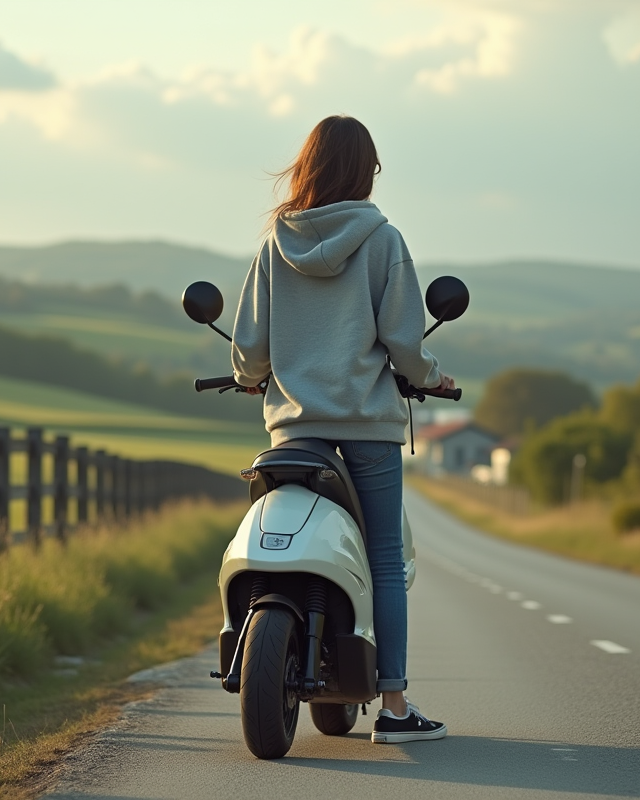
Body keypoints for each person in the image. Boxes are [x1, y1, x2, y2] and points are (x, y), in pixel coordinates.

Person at [230, 115, 452, 745]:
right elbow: (404, 343)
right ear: (364, 171)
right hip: (367, 427)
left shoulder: (276, 243)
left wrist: (252, 374)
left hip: (294, 431)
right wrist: (430, 378)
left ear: (305, 168)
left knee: (278, 537)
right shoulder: (383, 241)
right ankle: (396, 708)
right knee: (384, 556)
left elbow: (250, 346)